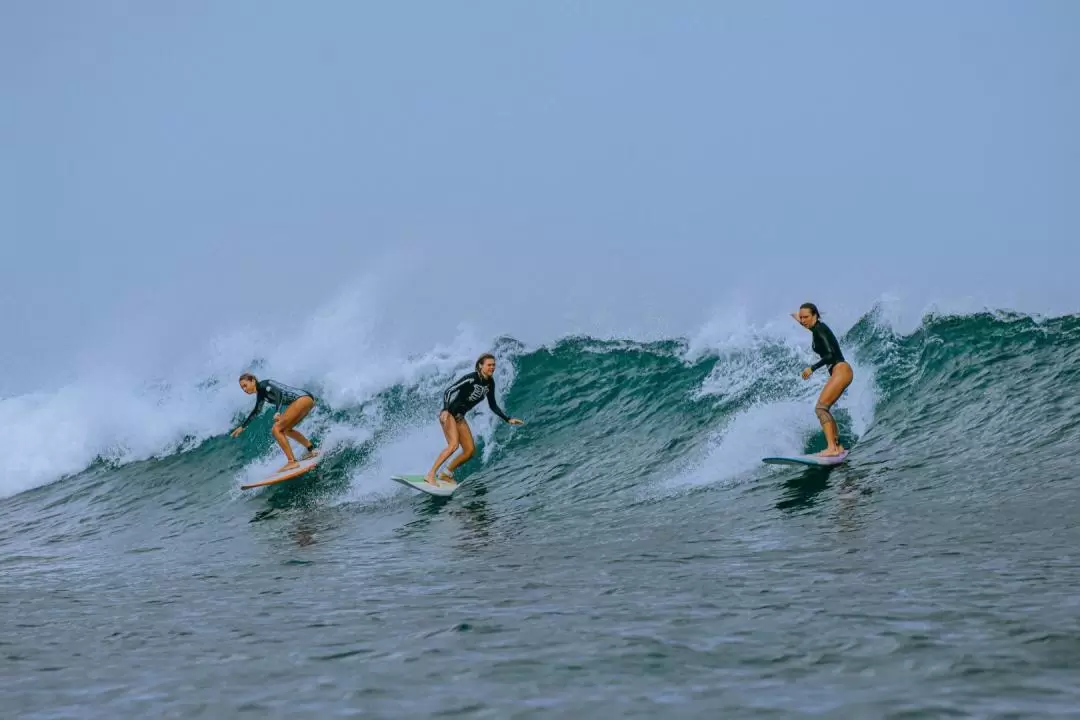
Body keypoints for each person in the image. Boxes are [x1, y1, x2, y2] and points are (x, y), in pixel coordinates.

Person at [424, 353, 524, 486]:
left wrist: (507, 419)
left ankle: (445, 474)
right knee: (453, 445)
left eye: (494, 365)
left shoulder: (489, 383)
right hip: (449, 415)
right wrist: (446, 409)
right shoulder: (471, 378)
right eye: (489, 365)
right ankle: (431, 474)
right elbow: (449, 391)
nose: (492, 367)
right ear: (480, 366)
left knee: (470, 451)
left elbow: (492, 405)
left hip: (460, 417)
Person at [793, 303, 853, 457]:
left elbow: (830, 355)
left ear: (815, 315)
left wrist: (811, 368)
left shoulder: (820, 331)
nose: (803, 320)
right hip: (840, 371)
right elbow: (806, 323)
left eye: (806, 317)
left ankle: (831, 448)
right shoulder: (816, 328)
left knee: (820, 408)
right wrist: (796, 317)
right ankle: (837, 447)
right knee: (824, 408)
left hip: (840, 369)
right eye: (801, 318)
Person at [230, 373, 318, 472]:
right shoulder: (261, 394)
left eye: (245, 385)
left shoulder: (264, 385)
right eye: (242, 388)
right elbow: (256, 411)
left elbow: (278, 394)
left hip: (302, 399)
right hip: (308, 400)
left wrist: (277, 411)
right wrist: (242, 426)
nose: (244, 390)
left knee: (276, 429)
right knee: (286, 430)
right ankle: (311, 450)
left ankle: (292, 462)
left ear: (253, 381)